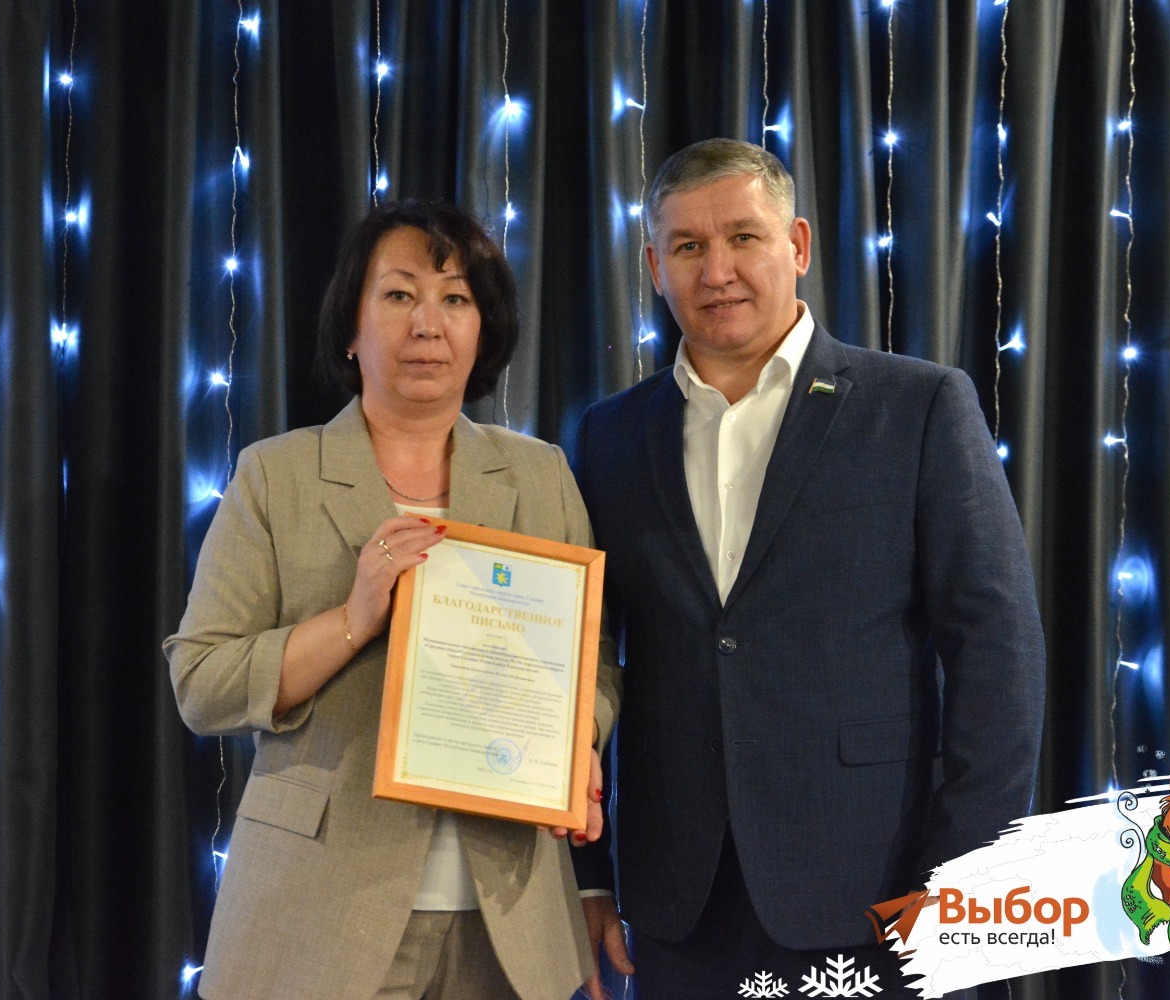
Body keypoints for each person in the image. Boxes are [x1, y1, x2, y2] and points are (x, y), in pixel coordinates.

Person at [570, 138, 1046, 997]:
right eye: (688, 246)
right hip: (677, 908)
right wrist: (590, 877)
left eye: (743, 237)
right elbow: (580, 661)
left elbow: (998, 654)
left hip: (880, 894)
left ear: (796, 245)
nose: (717, 270)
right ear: (654, 267)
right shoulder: (610, 435)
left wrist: (960, 881)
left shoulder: (919, 406)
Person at [166, 200, 619, 1000]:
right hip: (319, 914)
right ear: (352, 324)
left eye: (456, 298)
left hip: (509, 916)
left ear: (483, 331)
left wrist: (574, 741)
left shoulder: (541, 473)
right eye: (399, 294)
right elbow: (202, 683)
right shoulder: (275, 473)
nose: (427, 324)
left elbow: (595, 662)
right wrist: (353, 619)